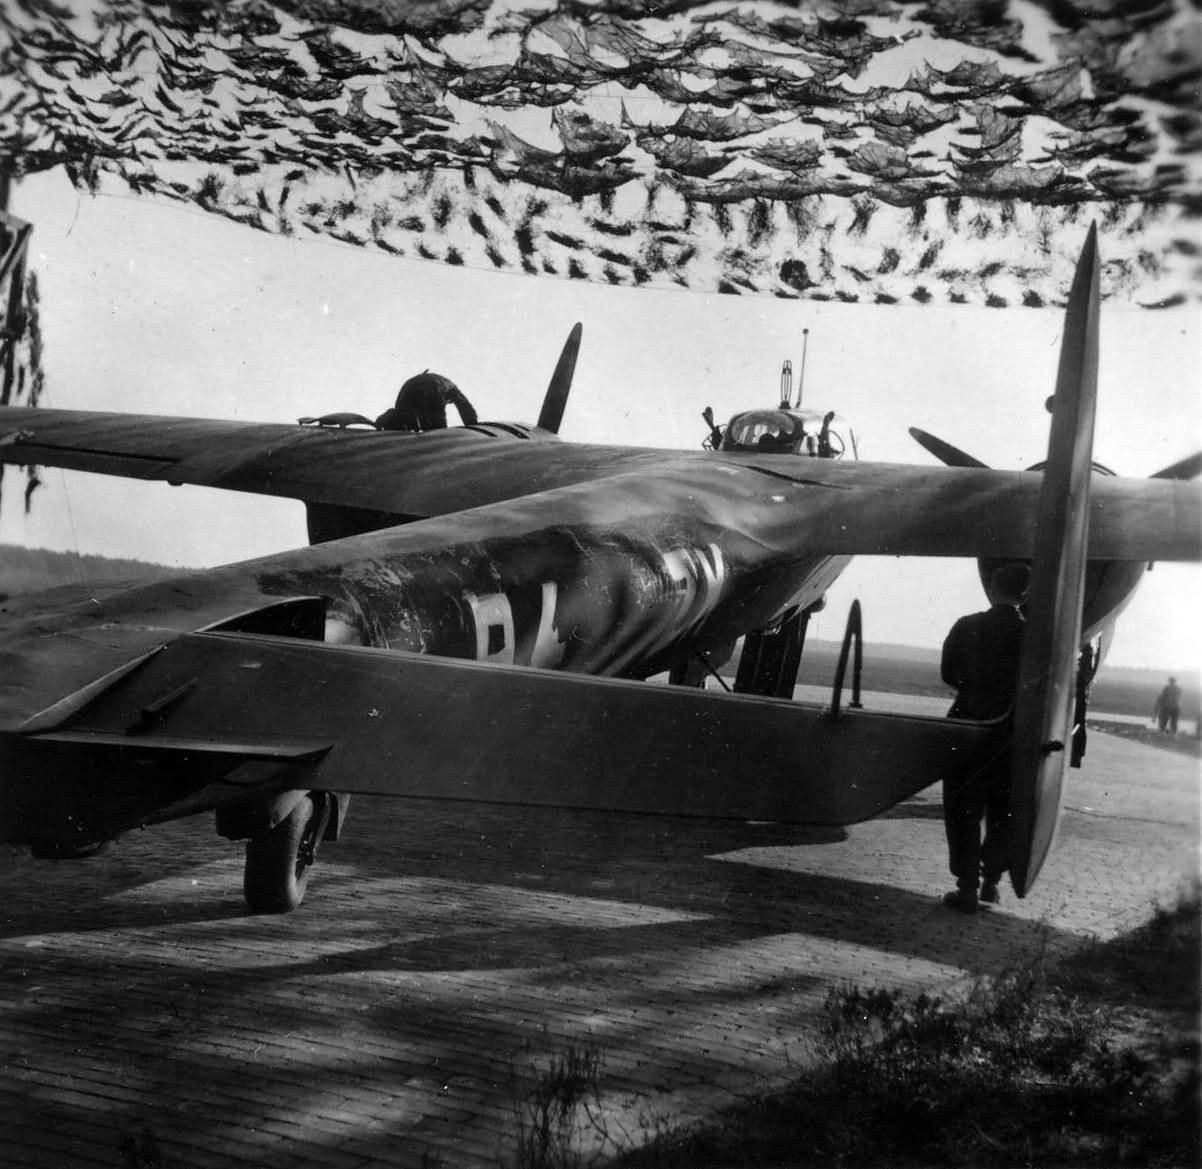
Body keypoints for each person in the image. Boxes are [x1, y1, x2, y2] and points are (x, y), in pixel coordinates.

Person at [939, 562, 1030, 914]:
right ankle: (991, 882)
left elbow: (948, 671)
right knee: (1002, 809)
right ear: (1026, 594)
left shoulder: (967, 625)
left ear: (992, 587)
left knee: (963, 807)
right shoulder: (1031, 635)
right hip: (1010, 731)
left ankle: (965, 887)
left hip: (966, 725)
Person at [375, 370, 477, 432]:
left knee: (403, 414)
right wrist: (473, 425)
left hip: (410, 386)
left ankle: (386, 420)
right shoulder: (451, 387)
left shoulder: (445, 385)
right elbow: (465, 407)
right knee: (437, 432)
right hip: (433, 386)